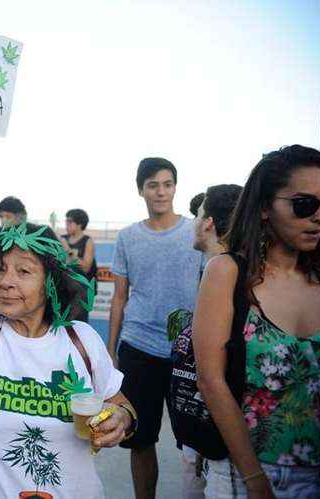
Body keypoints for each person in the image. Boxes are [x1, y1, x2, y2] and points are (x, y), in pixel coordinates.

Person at [0, 130, 137, 498]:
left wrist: (121, 419)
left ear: (50, 280)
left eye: (23, 271)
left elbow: (120, 403)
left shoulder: (80, 340)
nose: (5, 281)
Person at [193, 146, 320, 498]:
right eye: (304, 204)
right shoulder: (228, 272)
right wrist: (254, 479)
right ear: (263, 207)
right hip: (257, 474)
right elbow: (211, 380)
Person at [107, 157, 202, 499]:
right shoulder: (128, 237)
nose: (161, 192)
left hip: (189, 352)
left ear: (175, 187)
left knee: (196, 441)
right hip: (139, 348)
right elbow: (119, 297)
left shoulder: (197, 230)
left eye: (167, 184)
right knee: (139, 439)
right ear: (140, 190)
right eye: (152, 185)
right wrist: (111, 349)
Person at [172, 184, 243, 499]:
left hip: (214, 445)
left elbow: (222, 373)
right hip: (199, 437)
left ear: (209, 222)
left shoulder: (228, 273)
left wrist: (206, 433)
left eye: (198, 214)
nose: (194, 222)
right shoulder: (215, 268)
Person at [62, 208, 97, 322]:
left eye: (69, 222)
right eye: (66, 221)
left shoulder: (87, 241)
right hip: (63, 289)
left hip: (80, 292)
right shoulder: (62, 239)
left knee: (78, 326)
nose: (66, 225)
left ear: (80, 224)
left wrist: (68, 250)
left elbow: (86, 267)